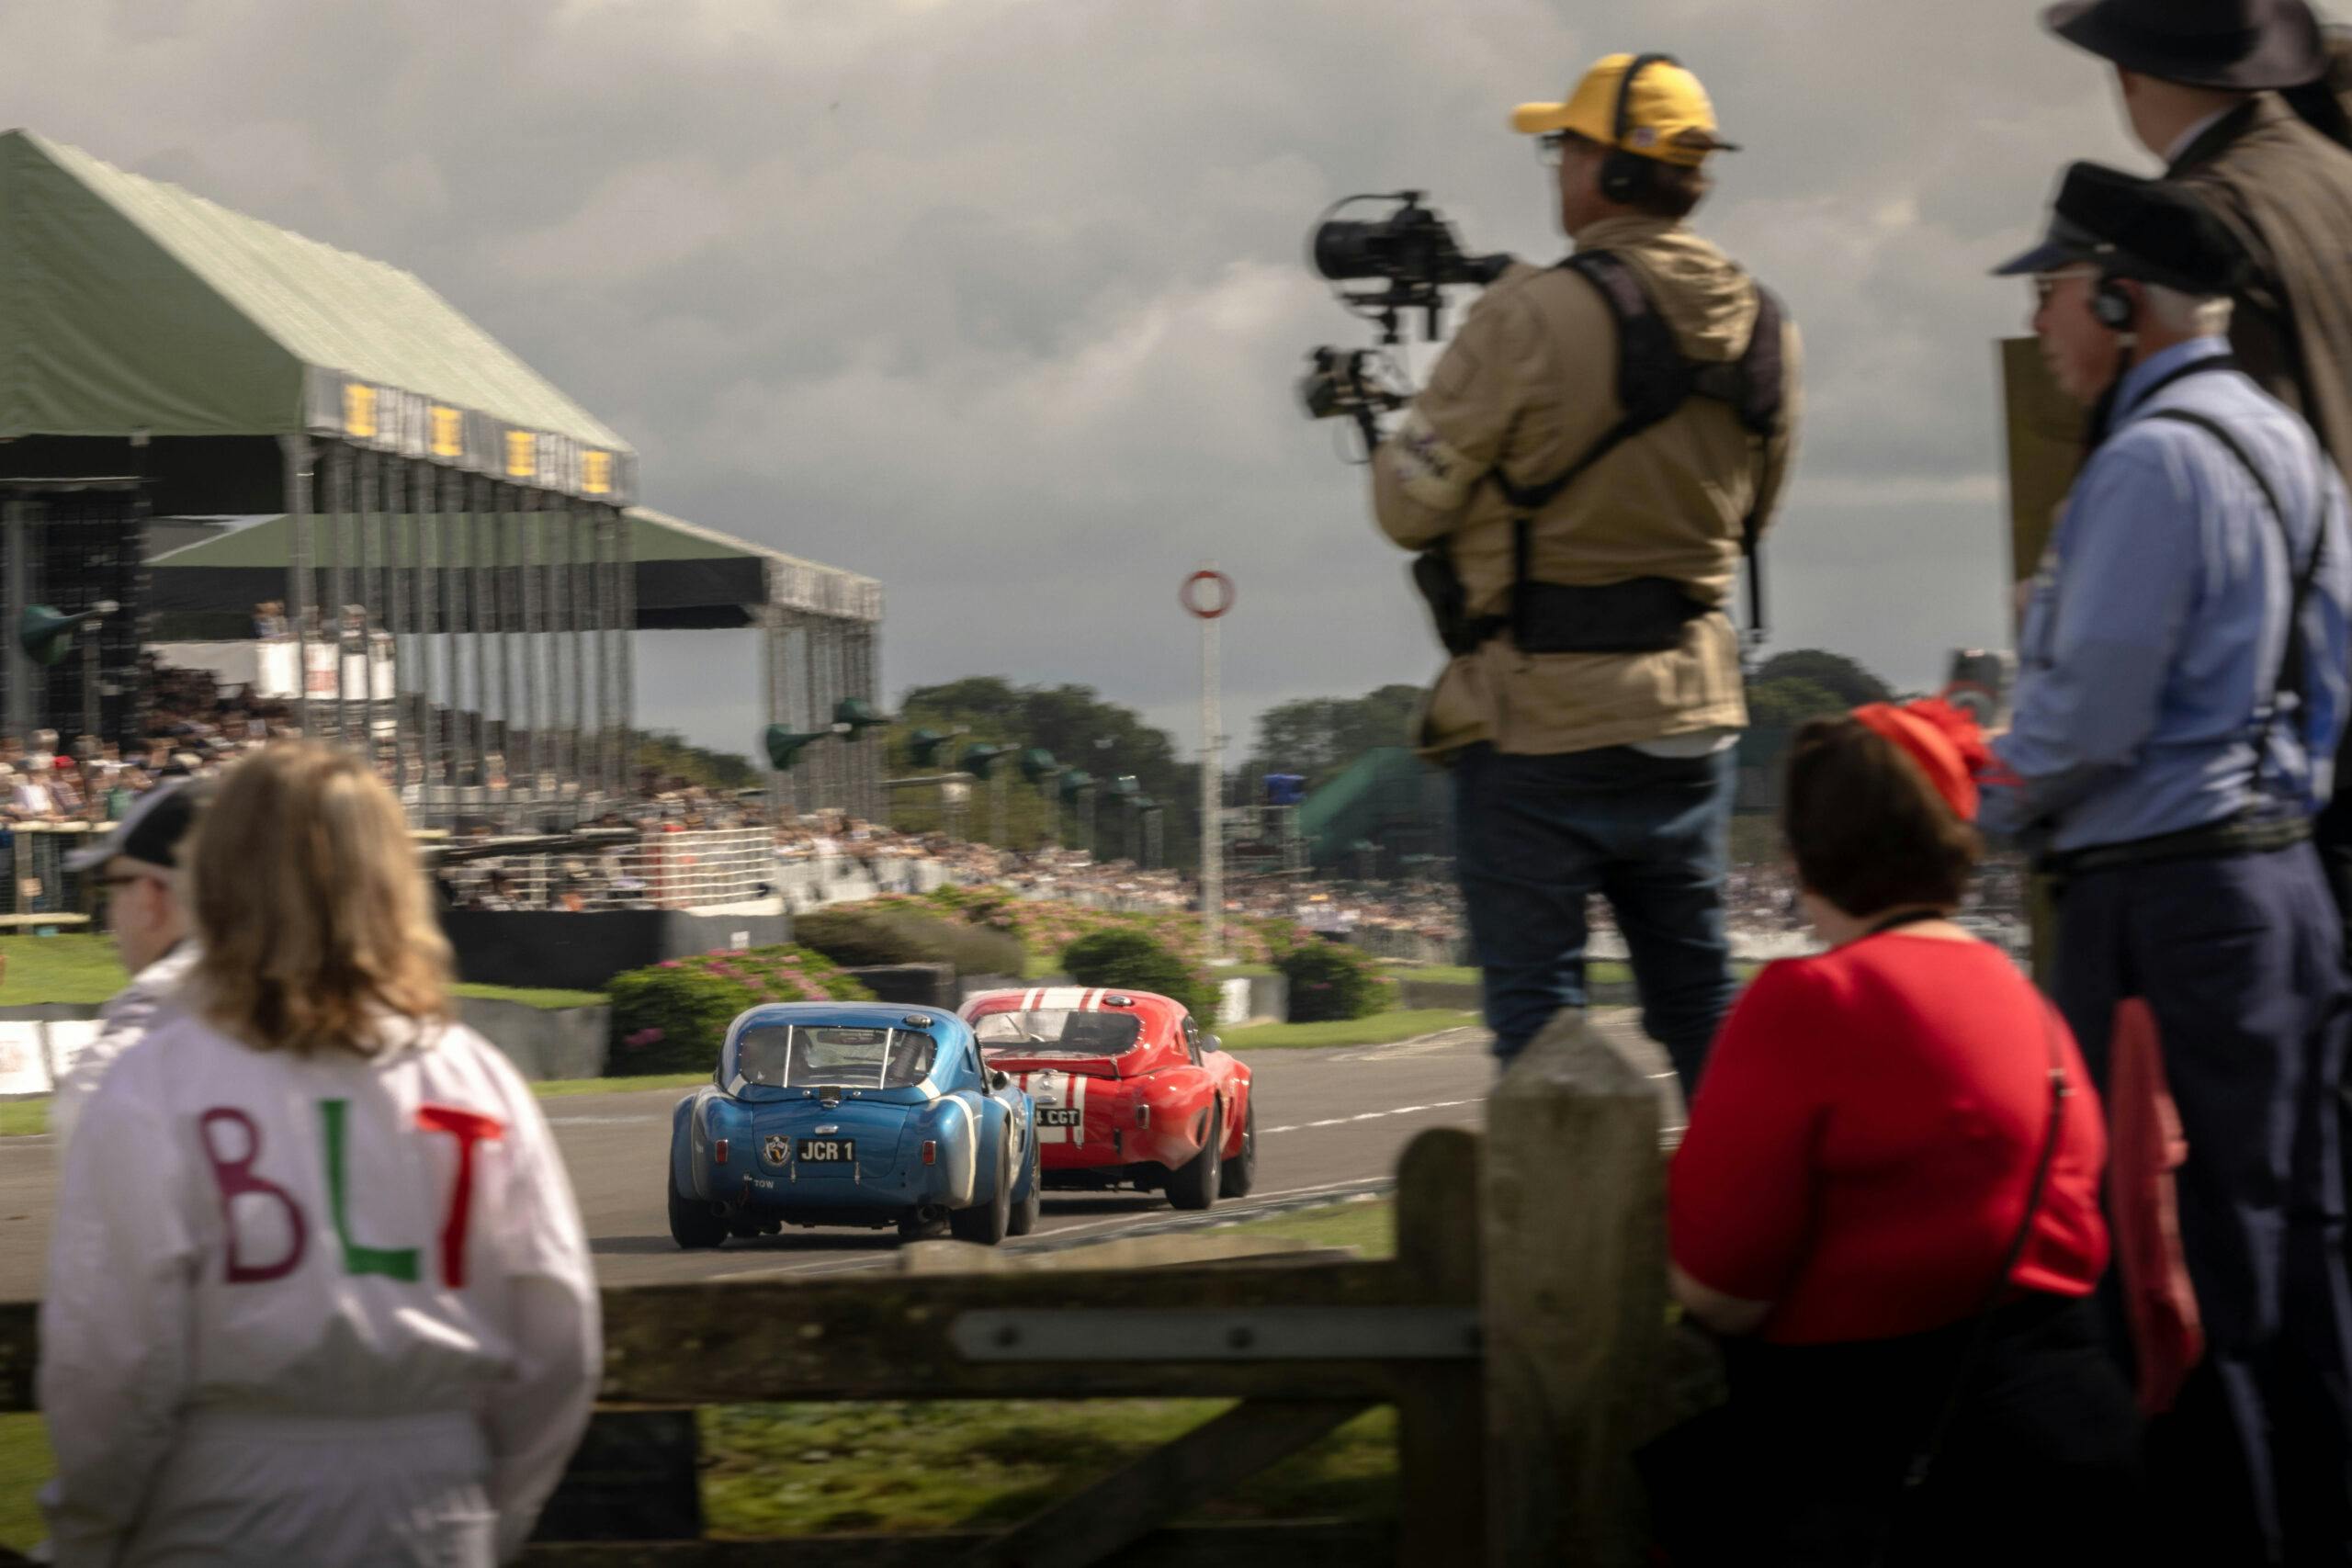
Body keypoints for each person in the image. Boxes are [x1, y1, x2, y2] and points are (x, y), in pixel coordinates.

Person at [1985, 162, 2352, 1563]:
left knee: (2171, 1274)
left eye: (2052, 290)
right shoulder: (2284, 442)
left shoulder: (2147, 462)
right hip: (2282, 883)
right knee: (2297, 1257)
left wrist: (1983, 795)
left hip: (2166, 903)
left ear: (2123, 295)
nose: (2042, 324)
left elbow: (2086, 714)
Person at [38, 743, 600, 1566]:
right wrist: (488, 1508)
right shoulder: (477, 1077)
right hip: (435, 1500)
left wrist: (85, 1535)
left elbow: (112, 1359)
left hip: (226, 1498)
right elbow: (559, 1343)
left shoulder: (152, 1079)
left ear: (220, 879)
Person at [1371, 51, 1801, 1087]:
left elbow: (1403, 503)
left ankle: (1559, 1242)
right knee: (1700, 1000)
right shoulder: (1766, 321)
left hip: (1537, 714)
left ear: (1608, 171)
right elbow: (1756, 511)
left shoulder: (1527, 316)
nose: (1557, 162)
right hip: (1689, 709)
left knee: (1537, 1020)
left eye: (1566, 144)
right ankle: (1743, 1228)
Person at [1668, 704, 2142, 1565]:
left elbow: (1719, 1287)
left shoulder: (1807, 1000)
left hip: (1868, 1460)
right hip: (2069, 1429)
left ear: (1802, 854)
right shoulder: (2028, 1001)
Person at [2044, 0, 2352, 931]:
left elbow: (2216, 490)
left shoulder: (2202, 222)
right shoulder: (2333, 175)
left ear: (2127, 74)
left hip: (2274, 751)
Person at [51, 781, 209, 1153]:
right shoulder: (351, 1019)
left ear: (151, 895)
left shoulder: (120, 1067)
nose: (111, 915)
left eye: (112, 887)